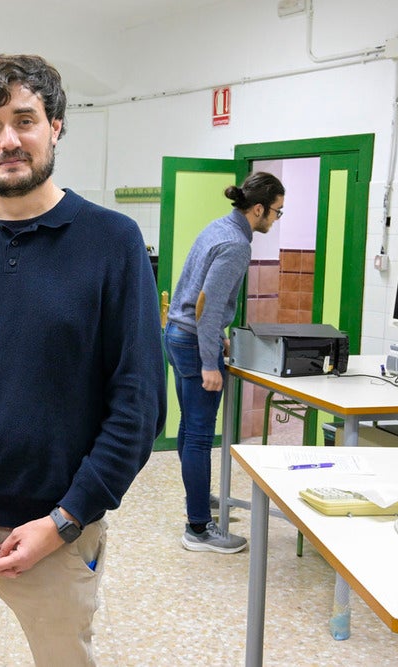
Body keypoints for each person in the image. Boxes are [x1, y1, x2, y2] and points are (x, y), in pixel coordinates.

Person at [0, 54, 166, 667]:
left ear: (56, 126)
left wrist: (66, 519)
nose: (8, 139)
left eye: (24, 120)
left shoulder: (112, 242)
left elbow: (139, 403)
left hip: (58, 530)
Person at [164, 171, 285, 554]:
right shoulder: (236, 244)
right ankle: (198, 528)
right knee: (200, 436)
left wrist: (218, 335)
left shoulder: (219, 227)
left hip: (177, 333)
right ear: (259, 209)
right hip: (193, 342)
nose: (277, 219)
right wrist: (209, 362)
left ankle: (198, 501)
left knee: (190, 427)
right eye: (277, 212)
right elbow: (208, 305)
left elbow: (200, 295)